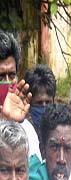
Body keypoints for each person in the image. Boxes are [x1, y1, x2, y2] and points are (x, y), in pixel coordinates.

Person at [0, 30, 41, 161]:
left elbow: (35, 177)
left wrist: (10, 122)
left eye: (12, 75)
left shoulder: (27, 131)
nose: (7, 81)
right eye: (1, 76)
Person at [23, 64, 56, 132]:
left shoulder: (59, 128)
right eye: (39, 103)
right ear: (29, 102)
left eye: (48, 102)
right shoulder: (23, 129)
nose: (44, 107)